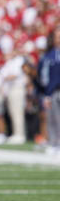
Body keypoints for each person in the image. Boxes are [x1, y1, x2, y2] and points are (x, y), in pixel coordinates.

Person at [39, 27, 60, 156]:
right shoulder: (48, 56)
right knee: (52, 118)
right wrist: (45, 93)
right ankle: (54, 143)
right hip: (52, 91)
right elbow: (43, 76)